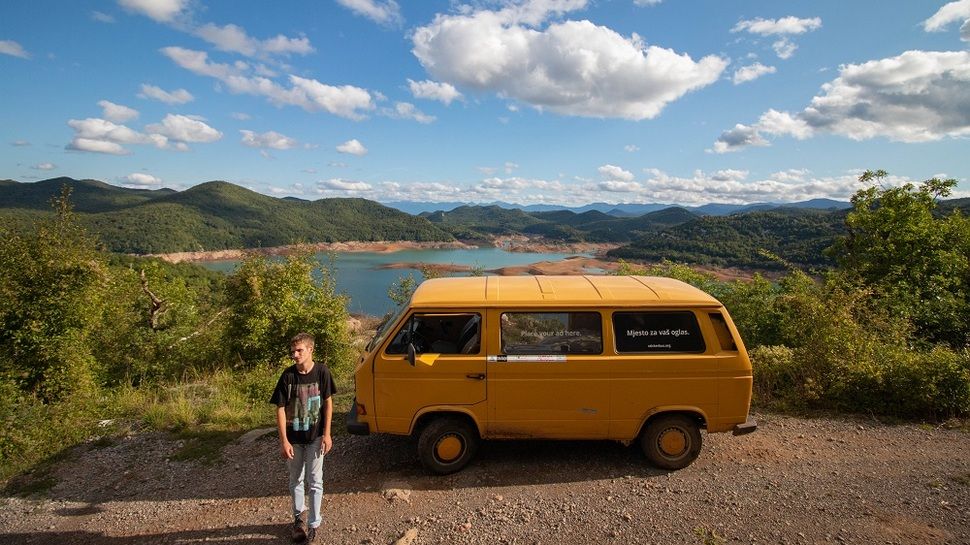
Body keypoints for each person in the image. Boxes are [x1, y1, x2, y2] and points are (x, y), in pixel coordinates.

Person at [270, 332, 336, 544]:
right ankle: (299, 519)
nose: (295, 355)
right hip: (294, 439)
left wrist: (327, 434)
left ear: (310, 350)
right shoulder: (288, 376)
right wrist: (284, 441)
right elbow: (280, 409)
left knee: (315, 481)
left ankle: (314, 524)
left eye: (299, 350)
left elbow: (328, 403)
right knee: (295, 480)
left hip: (316, 437)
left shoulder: (322, 372)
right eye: (293, 351)